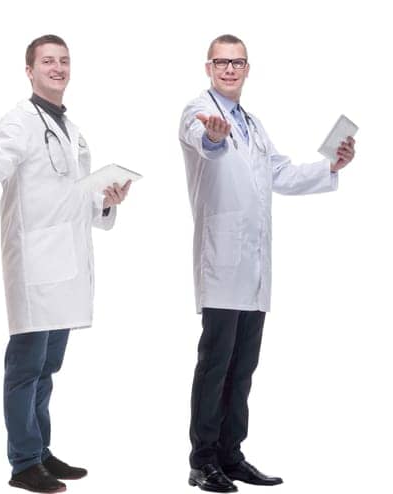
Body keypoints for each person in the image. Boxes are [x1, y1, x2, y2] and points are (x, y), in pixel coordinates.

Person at [0, 34, 130, 494]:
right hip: (34, 263)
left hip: (67, 264)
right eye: (48, 61)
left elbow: (82, 199)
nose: (58, 67)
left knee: (48, 367)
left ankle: (42, 451)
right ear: (29, 70)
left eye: (64, 60)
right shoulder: (18, 123)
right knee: (25, 367)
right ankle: (23, 462)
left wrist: (106, 200)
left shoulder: (73, 130)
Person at [178, 34, 356, 494]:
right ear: (208, 67)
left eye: (237, 62)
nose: (230, 69)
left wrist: (331, 165)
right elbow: (204, 141)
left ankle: (231, 456)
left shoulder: (253, 124)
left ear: (247, 68)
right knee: (215, 363)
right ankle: (202, 461)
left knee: (243, 366)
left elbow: (278, 173)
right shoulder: (198, 111)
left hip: (254, 267)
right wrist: (214, 137)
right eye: (222, 62)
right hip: (222, 262)